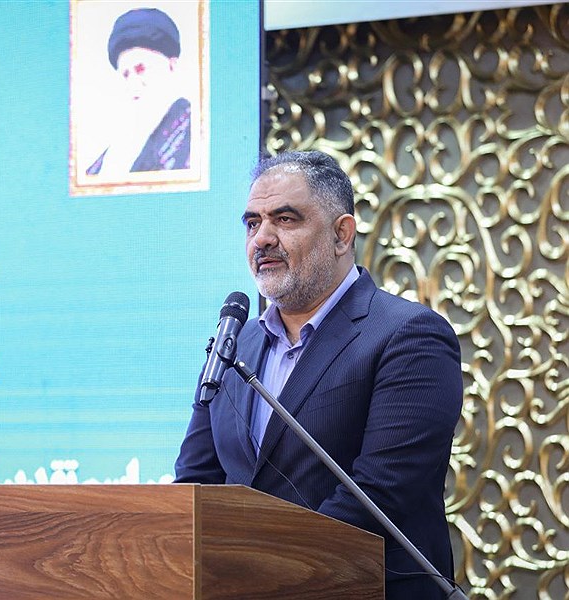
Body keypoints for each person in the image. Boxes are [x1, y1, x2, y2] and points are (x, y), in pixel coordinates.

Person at [174, 150, 463, 599]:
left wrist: (258, 574)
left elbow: (380, 495)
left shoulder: (409, 336)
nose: (262, 239)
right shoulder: (235, 344)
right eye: (252, 223)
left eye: (285, 219)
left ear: (341, 234)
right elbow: (196, 482)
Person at [86, 7, 191, 176]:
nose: (133, 83)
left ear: (172, 65)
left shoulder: (192, 129)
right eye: (126, 74)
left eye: (141, 69)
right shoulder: (119, 146)